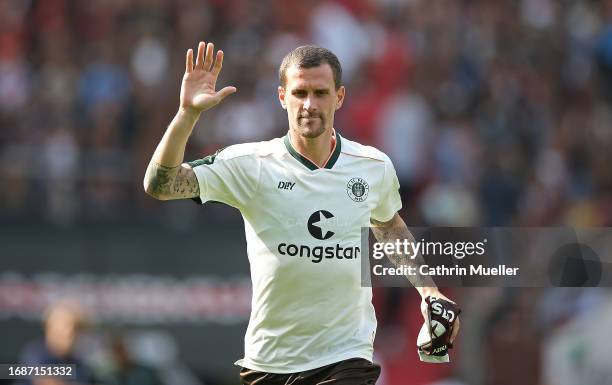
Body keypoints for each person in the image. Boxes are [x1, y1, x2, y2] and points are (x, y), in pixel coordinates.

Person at [143, 41, 459, 384]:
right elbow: (160, 185)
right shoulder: (251, 164)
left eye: (320, 93)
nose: (309, 104)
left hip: (345, 356)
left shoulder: (372, 167)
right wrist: (187, 114)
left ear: (339, 97)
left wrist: (428, 290)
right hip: (270, 361)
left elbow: (389, 227)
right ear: (282, 97)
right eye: (300, 92)